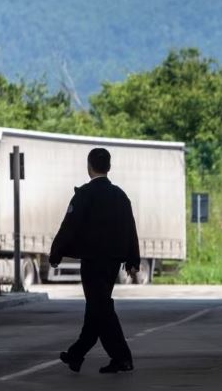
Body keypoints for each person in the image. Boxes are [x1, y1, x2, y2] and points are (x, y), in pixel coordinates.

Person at [49, 147, 140, 374]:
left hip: (92, 261)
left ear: (89, 167)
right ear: (108, 167)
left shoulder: (84, 195)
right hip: (112, 263)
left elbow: (69, 226)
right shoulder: (120, 196)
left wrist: (56, 253)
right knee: (96, 308)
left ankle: (122, 357)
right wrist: (132, 260)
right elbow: (130, 228)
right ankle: (76, 355)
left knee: (101, 308)